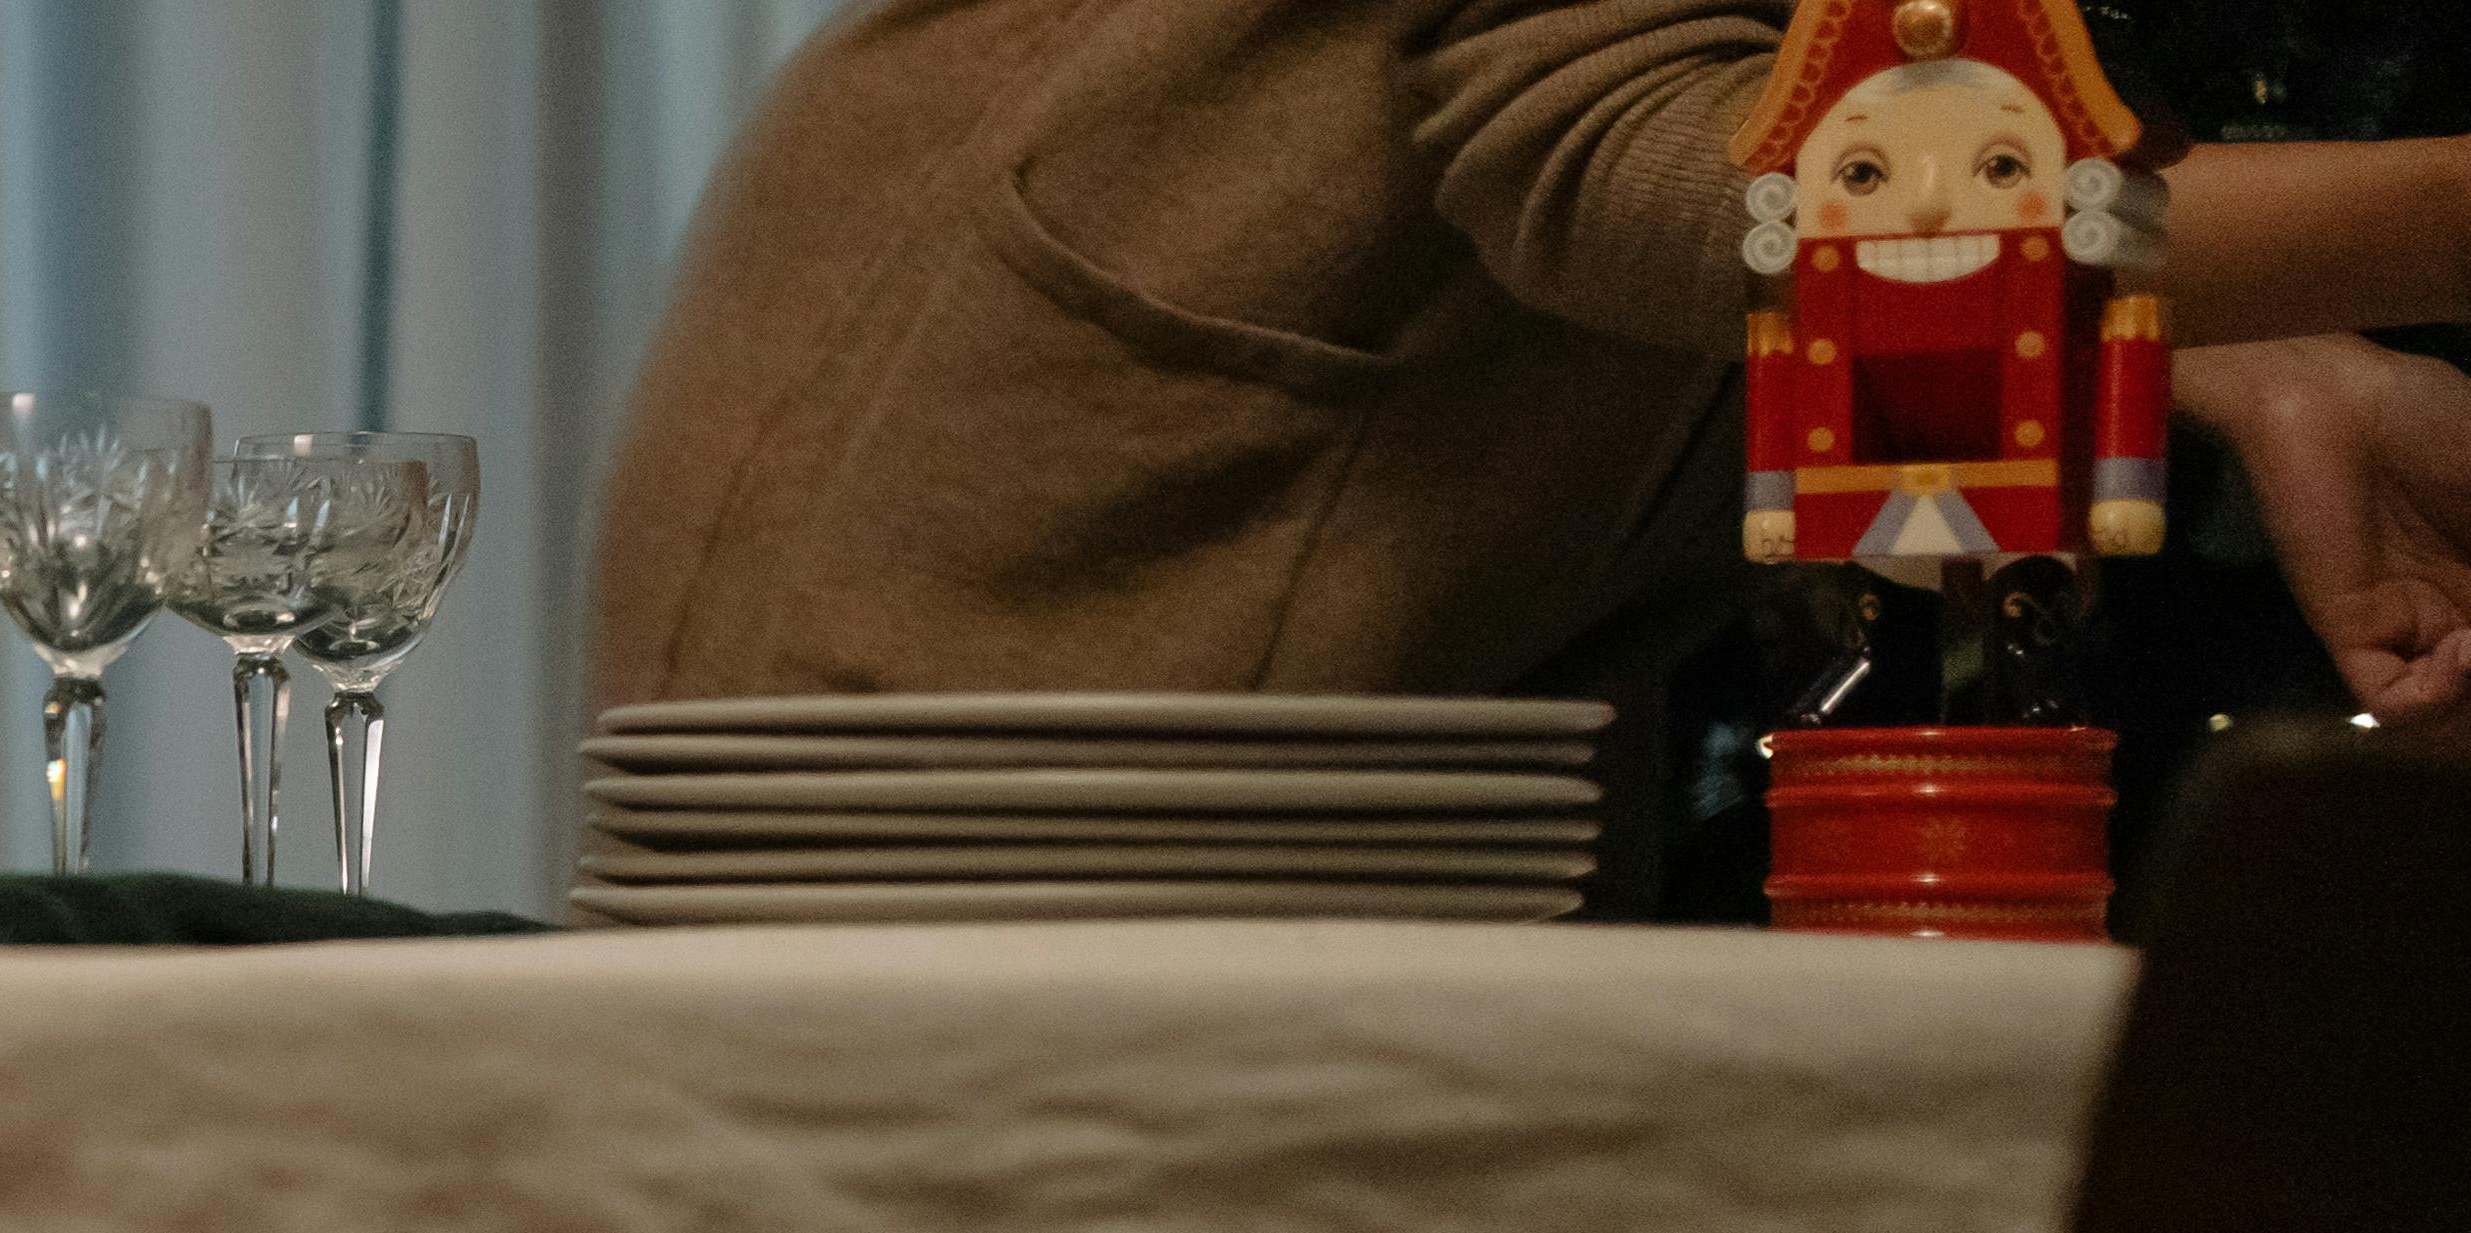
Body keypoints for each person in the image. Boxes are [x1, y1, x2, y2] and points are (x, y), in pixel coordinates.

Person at [592, 0, 2471, 732]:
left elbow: (1544, 272)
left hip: (1015, 797)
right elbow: (1722, 210)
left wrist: (2252, 371)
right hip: (994, 854)